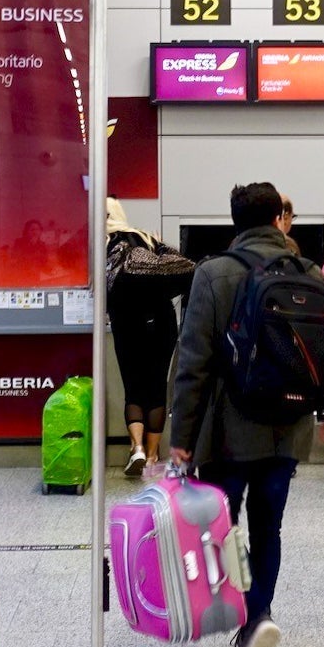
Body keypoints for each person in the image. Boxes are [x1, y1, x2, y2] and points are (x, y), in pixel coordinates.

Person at [171, 182, 324, 647]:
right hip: (287, 432)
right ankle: (259, 616)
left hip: (228, 433)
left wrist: (182, 437)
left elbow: (193, 364)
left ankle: (235, 610)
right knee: (268, 526)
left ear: (235, 221)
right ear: (279, 218)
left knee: (222, 526)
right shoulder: (309, 272)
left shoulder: (213, 273)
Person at [103, 198, 194, 477]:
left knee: (134, 385)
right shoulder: (144, 237)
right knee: (156, 386)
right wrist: (158, 243)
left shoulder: (103, 242)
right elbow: (182, 263)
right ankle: (154, 456)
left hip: (127, 321)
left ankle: (137, 447)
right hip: (162, 321)